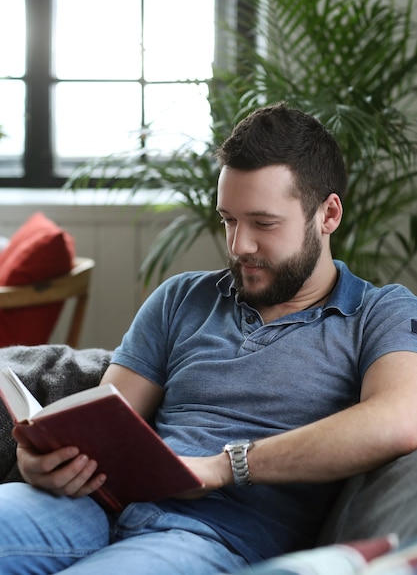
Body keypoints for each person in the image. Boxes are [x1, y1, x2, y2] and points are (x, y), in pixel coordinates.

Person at [1, 102, 417, 575]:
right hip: (94, 508)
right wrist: (36, 457)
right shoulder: (182, 297)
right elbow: (102, 418)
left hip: (211, 537)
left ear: (328, 215)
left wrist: (223, 468)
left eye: (263, 223)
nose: (239, 245)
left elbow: (400, 419)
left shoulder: (379, 312)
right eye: (229, 220)